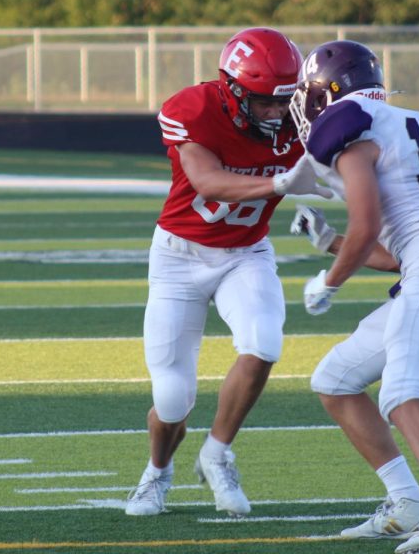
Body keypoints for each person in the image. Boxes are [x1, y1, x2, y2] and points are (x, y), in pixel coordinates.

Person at [287, 40, 419, 553]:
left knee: (402, 393)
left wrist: (329, 281)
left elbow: (368, 226)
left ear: (329, 92)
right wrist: (329, 244)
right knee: (335, 379)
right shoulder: (410, 122)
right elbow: (393, 246)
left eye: (311, 93)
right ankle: (408, 502)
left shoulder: (352, 127)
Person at [125, 27, 333, 518]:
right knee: (172, 398)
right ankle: (157, 472)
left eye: (285, 101)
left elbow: (349, 168)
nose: (277, 112)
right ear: (234, 89)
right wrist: (282, 181)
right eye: (265, 102)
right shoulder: (193, 109)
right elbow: (206, 180)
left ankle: (217, 454)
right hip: (179, 256)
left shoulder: (302, 119)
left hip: (245, 252)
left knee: (263, 342)